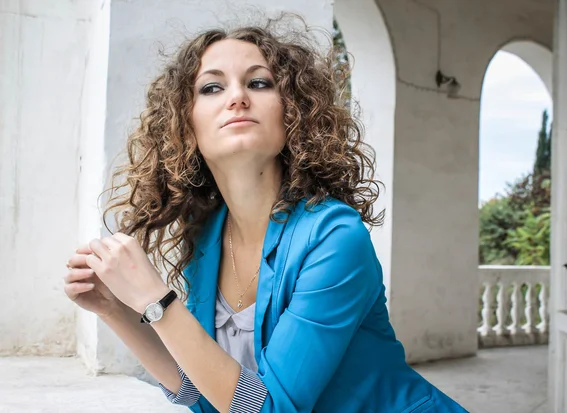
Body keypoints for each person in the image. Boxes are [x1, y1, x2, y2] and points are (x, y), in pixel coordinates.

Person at [64, 15, 468, 413]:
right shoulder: (207, 239)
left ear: (292, 114)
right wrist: (115, 310)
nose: (237, 97)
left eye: (259, 83)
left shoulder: (334, 237)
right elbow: (208, 392)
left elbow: (269, 409)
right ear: (185, 126)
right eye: (211, 87)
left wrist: (155, 300)